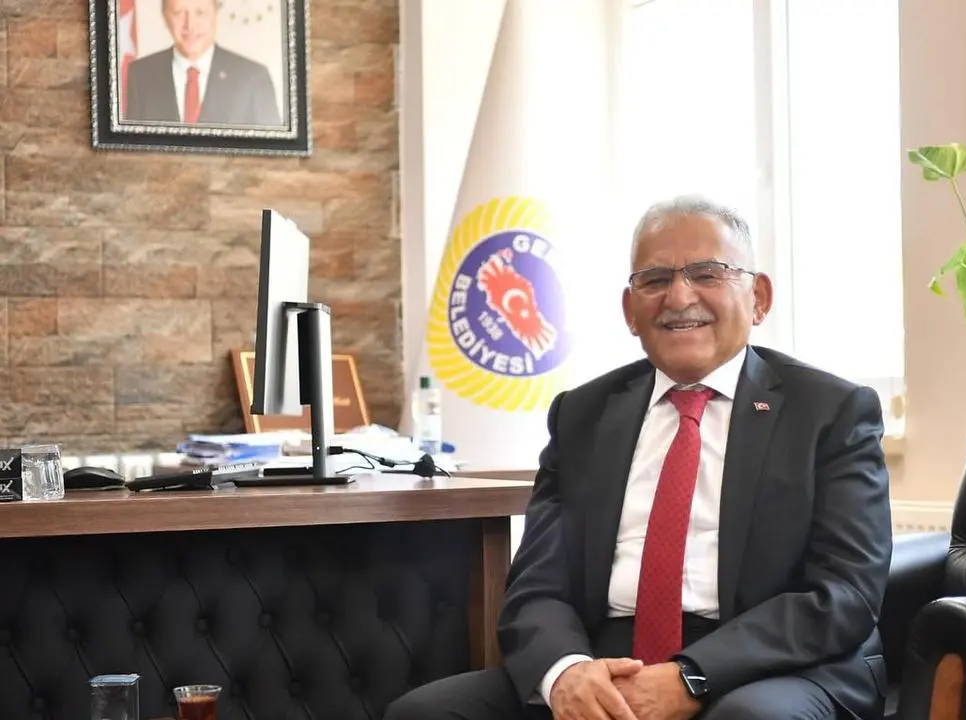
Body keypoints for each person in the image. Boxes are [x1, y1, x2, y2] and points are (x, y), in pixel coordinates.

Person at [387, 196, 892, 720]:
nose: (679, 296)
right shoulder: (582, 415)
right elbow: (537, 583)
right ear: (630, 311)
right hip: (607, 660)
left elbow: (845, 592)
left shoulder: (829, 411)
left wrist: (691, 675)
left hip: (770, 666)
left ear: (758, 297)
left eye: (707, 274)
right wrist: (567, 672)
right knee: (423, 713)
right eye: (654, 280)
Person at [124, 0, 282, 127]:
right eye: (178, 13)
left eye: (200, 12)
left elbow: (271, 152)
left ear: (216, 14)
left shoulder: (253, 78)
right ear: (165, 17)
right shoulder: (140, 75)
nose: (190, 25)